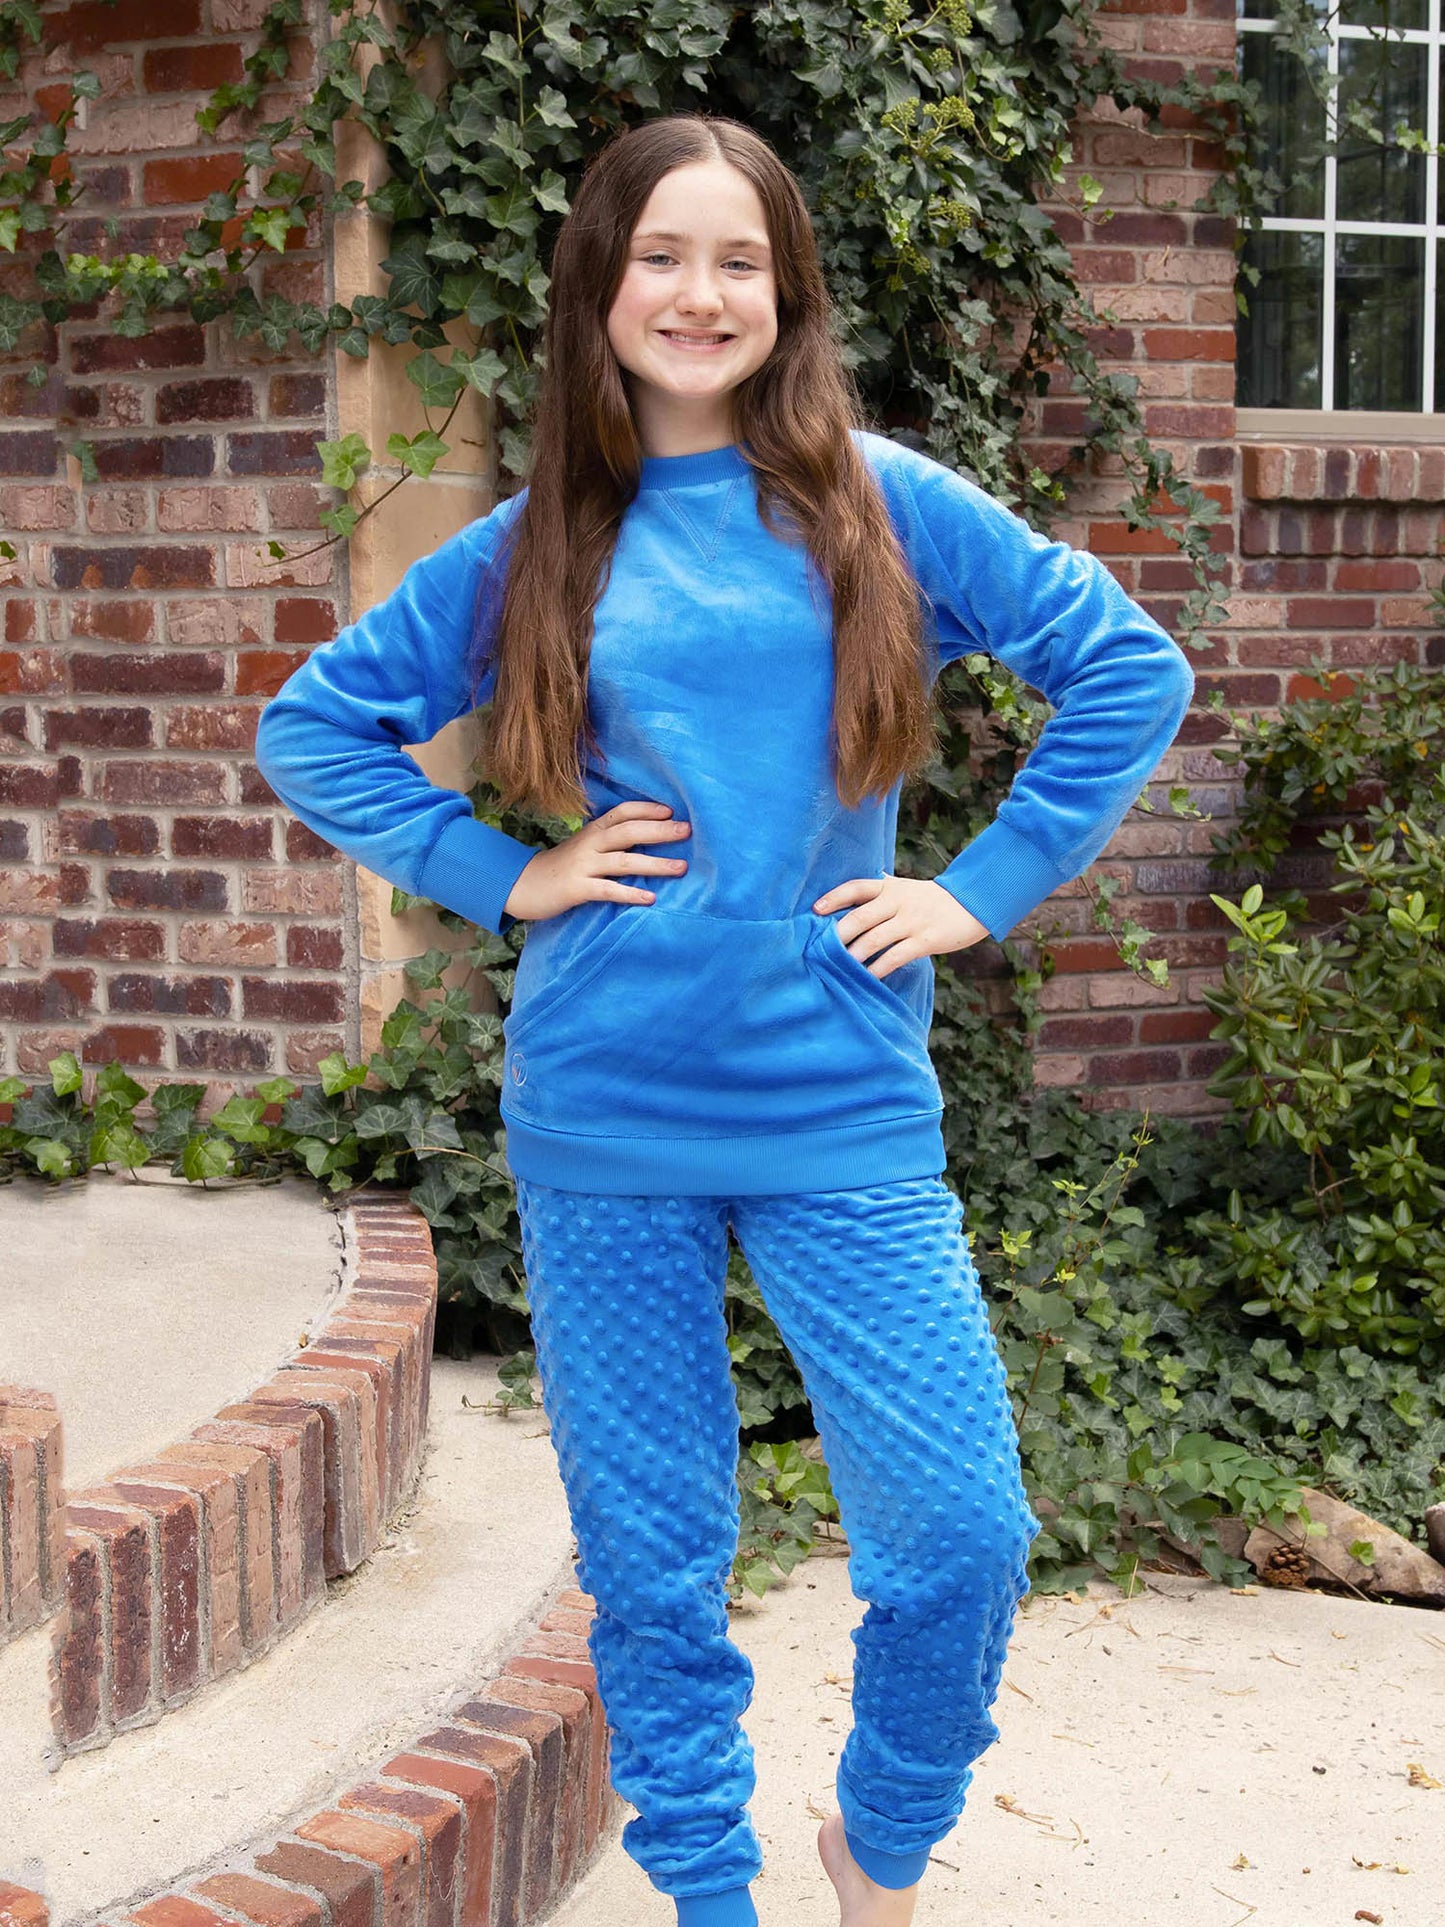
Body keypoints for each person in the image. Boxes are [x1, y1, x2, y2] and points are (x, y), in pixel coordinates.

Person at [254, 112, 1193, 1927]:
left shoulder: (880, 503)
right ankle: (708, 1892)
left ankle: (881, 1840)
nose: (699, 293)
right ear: (598, 289)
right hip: (604, 1107)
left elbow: (1123, 666)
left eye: (738, 259)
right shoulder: (539, 544)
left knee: (961, 1536)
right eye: (661, 256)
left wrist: (973, 892)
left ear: (787, 291)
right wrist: (503, 870)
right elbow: (313, 727)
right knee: (658, 1560)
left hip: (840, 1096)